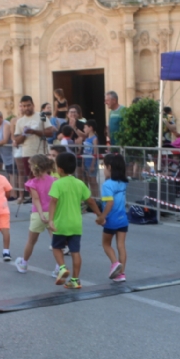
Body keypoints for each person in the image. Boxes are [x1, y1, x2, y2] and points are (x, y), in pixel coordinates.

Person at [48, 152, 102, 289]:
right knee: (75, 251)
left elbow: (53, 201)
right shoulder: (80, 183)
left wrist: (50, 220)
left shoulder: (57, 184)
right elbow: (90, 200)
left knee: (56, 247)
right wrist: (99, 214)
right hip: (76, 224)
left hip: (61, 223)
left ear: (59, 169)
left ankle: (62, 268)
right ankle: (75, 280)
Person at [15, 154, 57, 273]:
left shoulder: (32, 182)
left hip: (38, 214)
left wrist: (41, 213)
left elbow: (36, 199)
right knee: (55, 242)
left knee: (31, 241)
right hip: (52, 213)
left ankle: (24, 263)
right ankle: (59, 267)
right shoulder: (55, 181)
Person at [13, 95, 55, 202]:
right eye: (24, 106)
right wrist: (24, 134)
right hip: (27, 153)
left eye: (28, 105)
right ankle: (35, 202)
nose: (26, 108)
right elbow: (17, 140)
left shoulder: (41, 116)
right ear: (21, 107)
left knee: (45, 177)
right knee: (32, 178)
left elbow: (50, 132)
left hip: (42, 152)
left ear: (33, 105)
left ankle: (47, 200)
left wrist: (34, 131)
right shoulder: (20, 121)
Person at [96, 153, 129, 282]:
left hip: (111, 219)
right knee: (121, 246)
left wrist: (102, 216)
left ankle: (115, 263)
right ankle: (122, 273)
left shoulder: (107, 185)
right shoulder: (123, 182)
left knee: (106, 244)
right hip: (123, 219)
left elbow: (109, 203)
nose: (103, 169)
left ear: (109, 167)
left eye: (104, 166)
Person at [81, 119, 100, 197]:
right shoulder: (86, 138)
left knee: (93, 181)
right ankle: (92, 196)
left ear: (90, 128)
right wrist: (82, 163)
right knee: (88, 180)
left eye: (85, 127)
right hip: (86, 161)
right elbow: (84, 151)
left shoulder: (94, 139)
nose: (84, 129)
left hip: (92, 162)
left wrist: (93, 164)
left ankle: (97, 196)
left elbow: (95, 152)